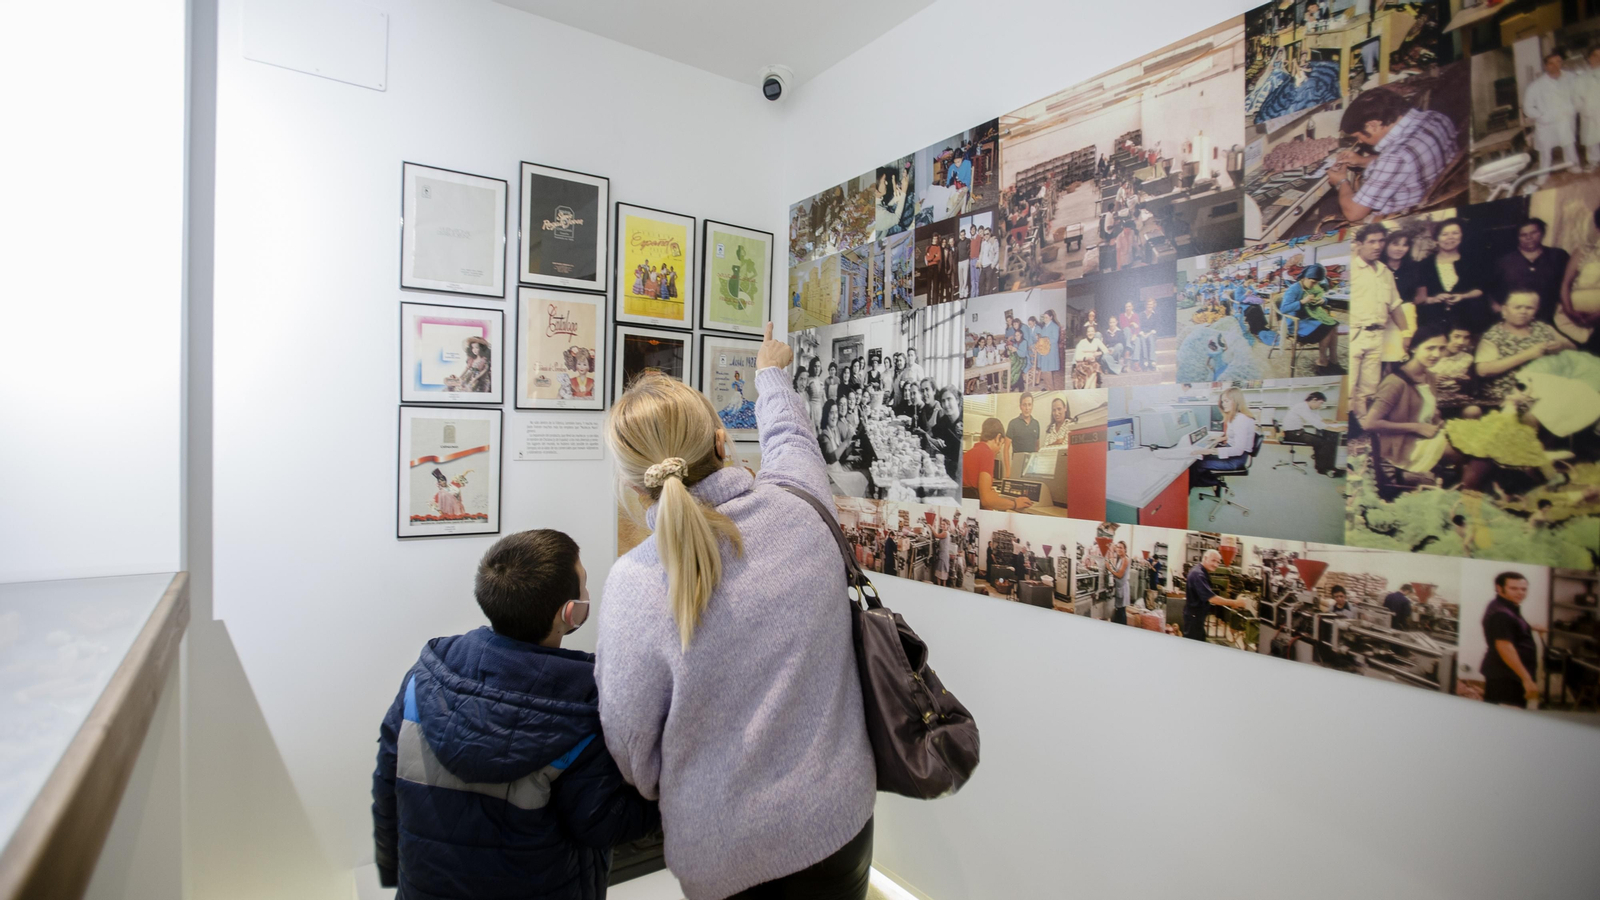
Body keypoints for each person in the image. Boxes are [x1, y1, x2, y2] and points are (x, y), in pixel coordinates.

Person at [597, 324, 876, 900]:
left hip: (725, 857)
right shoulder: (800, 509)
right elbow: (791, 441)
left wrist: (683, 781)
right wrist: (770, 372)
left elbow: (629, 746)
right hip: (841, 825)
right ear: (724, 443)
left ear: (633, 485)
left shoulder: (635, 584)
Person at [371, 530, 660, 899]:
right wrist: (666, 801)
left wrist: (393, 872)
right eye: (585, 585)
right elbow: (599, 824)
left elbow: (387, 785)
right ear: (569, 612)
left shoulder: (422, 679)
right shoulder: (581, 712)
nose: (588, 594)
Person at [1326, 87, 1459, 220]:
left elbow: (1353, 213)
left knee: (1324, 213)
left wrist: (1341, 181)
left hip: (1400, 218)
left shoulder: (1395, 158)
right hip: (1438, 196)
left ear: (1373, 125)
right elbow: (1408, 162)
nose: (1359, 141)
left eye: (1358, 136)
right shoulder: (1436, 117)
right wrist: (1362, 161)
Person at [1360, 323, 1455, 498]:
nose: (1436, 354)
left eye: (1441, 349)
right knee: (1464, 453)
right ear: (1414, 348)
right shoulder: (1395, 382)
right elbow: (1369, 423)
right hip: (1402, 446)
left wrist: (1441, 423)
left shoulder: (1430, 377)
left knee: (1472, 445)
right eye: (1430, 348)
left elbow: (1428, 411)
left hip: (1423, 436)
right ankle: (1461, 497)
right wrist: (1416, 427)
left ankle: (1455, 492)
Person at [1349, 224, 1411, 418]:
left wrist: (1406, 332)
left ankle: (1361, 428)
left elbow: (1395, 305)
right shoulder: (1351, 268)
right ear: (1360, 244)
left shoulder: (1385, 272)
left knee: (1369, 389)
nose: (1377, 246)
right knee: (1349, 386)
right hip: (1355, 334)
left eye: (1381, 241)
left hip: (1377, 336)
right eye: (1372, 241)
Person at [1475, 291, 1574, 405]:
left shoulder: (1543, 328)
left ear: (1536, 310)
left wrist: (1560, 346)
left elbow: (1573, 347)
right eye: (1517, 307)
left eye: (1529, 308)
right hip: (1508, 396)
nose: (1523, 312)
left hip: (1544, 390)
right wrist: (1528, 355)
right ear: (1504, 310)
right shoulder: (1494, 335)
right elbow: (1482, 371)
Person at [1417, 218, 1492, 334]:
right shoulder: (1425, 264)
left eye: (1455, 233)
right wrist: (1434, 299)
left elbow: (1481, 289)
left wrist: (1463, 296)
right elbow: (1419, 299)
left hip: (1468, 322)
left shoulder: (1472, 261)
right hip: (1435, 323)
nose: (1450, 237)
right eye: (1445, 234)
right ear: (1436, 239)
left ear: (1461, 236)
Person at [1481, 572, 1541, 708]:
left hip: (1505, 674)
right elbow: (1504, 647)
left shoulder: (1504, 606)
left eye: (1523, 589)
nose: (1520, 593)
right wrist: (1527, 680)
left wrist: (1530, 627)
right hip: (1507, 678)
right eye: (1513, 588)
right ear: (1499, 588)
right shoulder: (1502, 615)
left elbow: (1509, 629)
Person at [1496, 218, 1571, 324]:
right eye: (1523, 235)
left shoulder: (1558, 256)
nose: (1529, 238)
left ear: (1542, 233)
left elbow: (1571, 284)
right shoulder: (1504, 261)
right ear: (1517, 237)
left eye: (1534, 232)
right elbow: (1491, 291)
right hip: (1515, 318)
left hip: (1552, 317)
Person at [1524, 49, 1579, 181]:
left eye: (1558, 62)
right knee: (1545, 151)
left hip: (1565, 118)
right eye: (1551, 63)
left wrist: (1573, 108)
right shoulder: (1536, 86)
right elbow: (1527, 107)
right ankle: (1543, 174)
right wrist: (1542, 116)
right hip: (1546, 123)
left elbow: (1578, 96)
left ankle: (1573, 166)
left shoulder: (1571, 78)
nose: (1555, 66)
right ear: (1545, 66)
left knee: (1569, 145)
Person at [1278, 263, 1342, 374]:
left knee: (1333, 325)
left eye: (1316, 283)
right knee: (1326, 328)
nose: (1314, 285)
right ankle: (1322, 361)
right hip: (1296, 323)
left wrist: (1323, 300)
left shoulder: (1311, 286)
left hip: (1308, 319)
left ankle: (1333, 359)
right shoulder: (1293, 290)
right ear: (1305, 278)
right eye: (1313, 282)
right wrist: (1303, 301)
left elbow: (1321, 296)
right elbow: (1284, 309)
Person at [963, 417, 1032, 511]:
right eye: (1002, 444)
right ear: (998, 437)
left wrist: (991, 495)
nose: (999, 450)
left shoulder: (967, 454)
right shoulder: (987, 453)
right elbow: (986, 500)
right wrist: (1015, 504)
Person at [1189, 386, 1258, 479]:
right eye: (1222, 401)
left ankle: (1208, 483)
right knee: (1203, 457)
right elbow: (1236, 435)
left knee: (1197, 464)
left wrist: (1209, 451)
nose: (1223, 404)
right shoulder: (1236, 416)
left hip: (1236, 460)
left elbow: (1238, 450)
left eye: (1226, 401)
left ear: (1236, 402)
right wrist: (1221, 438)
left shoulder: (1241, 420)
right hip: (1235, 455)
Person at [1280, 390, 1343, 476]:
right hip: (1293, 434)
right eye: (1320, 403)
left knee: (1321, 441)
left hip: (1296, 432)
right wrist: (1336, 428)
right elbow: (1315, 422)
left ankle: (1321, 464)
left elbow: (1316, 417)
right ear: (1314, 400)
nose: (1320, 406)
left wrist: (1327, 421)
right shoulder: (1302, 407)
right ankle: (1323, 468)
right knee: (1323, 443)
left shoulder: (1305, 406)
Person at [1183, 549, 1223, 642]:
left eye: (1218, 562)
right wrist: (1236, 603)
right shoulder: (1198, 574)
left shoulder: (1200, 571)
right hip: (1194, 618)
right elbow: (1212, 599)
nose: (1216, 565)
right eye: (1213, 560)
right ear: (1205, 558)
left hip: (1196, 617)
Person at [1581, 47, 1600, 171]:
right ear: (1589, 58)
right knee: (1592, 138)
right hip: (1589, 112)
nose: (1598, 58)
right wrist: (1584, 109)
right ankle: (1593, 162)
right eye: (1595, 55)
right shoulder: (1582, 77)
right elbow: (1577, 97)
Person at [1038, 308, 1063, 389]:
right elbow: (1042, 337)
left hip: (1050, 351)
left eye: (1046, 317)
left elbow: (1055, 339)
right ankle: (1048, 387)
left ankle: (1050, 389)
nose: (1045, 319)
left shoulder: (1055, 326)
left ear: (1051, 317)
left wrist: (1045, 340)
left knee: (1047, 371)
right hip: (1044, 351)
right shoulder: (1044, 327)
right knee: (1044, 371)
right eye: (1044, 317)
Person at [1108, 541, 1131, 626]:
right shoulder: (1120, 559)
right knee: (1118, 610)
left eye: (1121, 547)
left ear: (1125, 549)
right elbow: (1116, 569)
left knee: (1121, 611)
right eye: (1117, 547)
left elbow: (1120, 575)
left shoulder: (1125, 560)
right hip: (1119, 587)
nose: (1118, 549)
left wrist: (1109, 569)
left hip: (1123, 588)